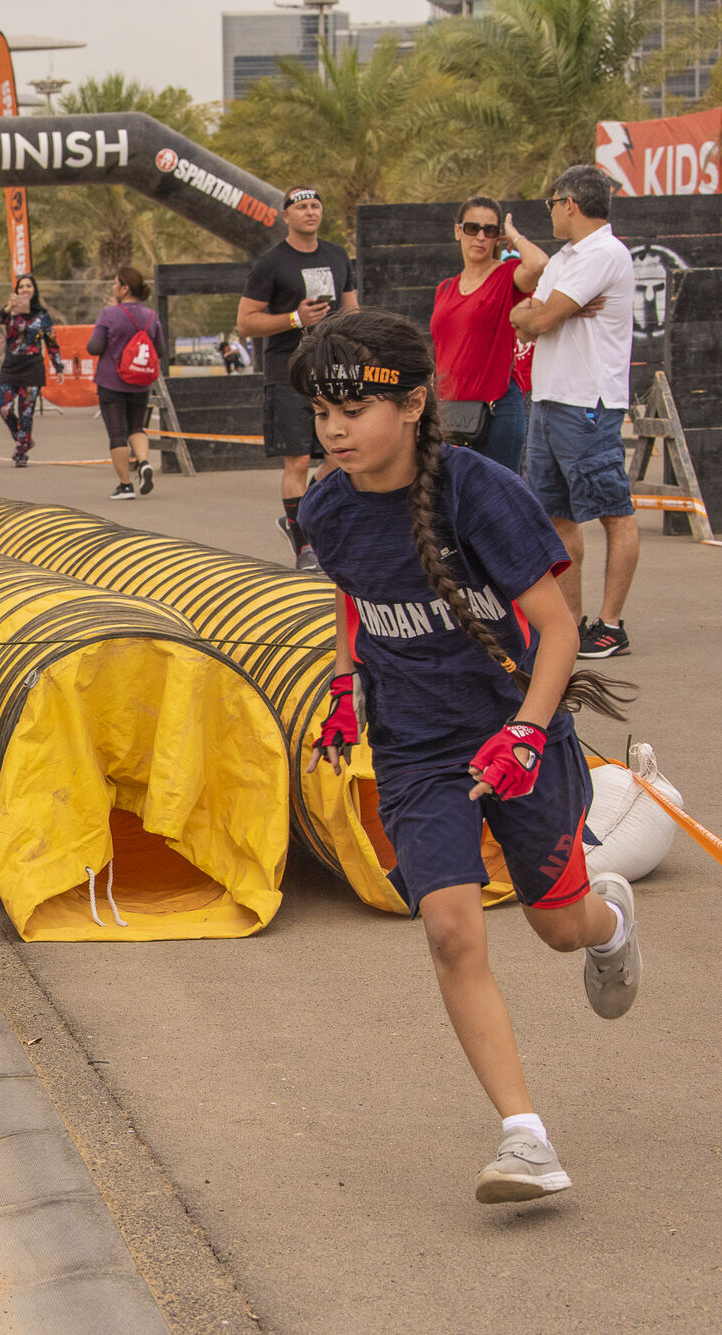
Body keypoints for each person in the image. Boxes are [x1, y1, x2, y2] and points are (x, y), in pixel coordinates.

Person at [293, 307, 639, 1204]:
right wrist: (344, 682)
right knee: (450, 927)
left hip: (516, 728)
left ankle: (609, 923)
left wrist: (526, 731)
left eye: (353, 410)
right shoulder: (327, 505)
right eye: (321, 412)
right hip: (414, 747)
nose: (334, 430)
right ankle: (525, 1138)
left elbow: (558, 631)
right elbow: (354, 595)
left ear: (413, 404)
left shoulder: (481, 493)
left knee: (557, 927)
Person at [508, 166, 638, 660]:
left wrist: (542, 315)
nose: (551, 213)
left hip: (588, 403)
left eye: (552, 204)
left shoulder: (605, 252)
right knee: (557, 516)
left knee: (614, 513)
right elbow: (524, 321)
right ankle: (572, 625)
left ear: (570, 204)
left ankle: (611, 625)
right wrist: (539, 315)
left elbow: (538, 318)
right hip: (549, 398)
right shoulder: (565, 258)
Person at [237, 186, 359, 570]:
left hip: (332, 371)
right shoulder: (271, 263)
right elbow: (245, 323)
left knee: (340, 454)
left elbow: (352, 311)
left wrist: (355, 345)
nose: (310, 211)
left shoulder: (337, 256)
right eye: (302, 206)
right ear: (285, 215)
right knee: (298, 460)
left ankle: (298, 517)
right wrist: (295, 318)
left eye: (316, 205)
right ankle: (304, 547)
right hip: (288, 372)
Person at [431, 198, 550, 476]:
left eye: (490, 230)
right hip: (451, 410)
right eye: (472, 228)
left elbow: (538, 264)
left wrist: (514, 235)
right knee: (451, 491)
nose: (481, 236)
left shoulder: (506, 275)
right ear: (458, 231)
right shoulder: (445, 288)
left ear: (498, 236)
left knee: (498, 492)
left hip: (497, 407)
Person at [87, 266, 165, 498]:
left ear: (124, 288)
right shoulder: (151, 316)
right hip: (140, 383)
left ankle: (125, 486)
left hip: (111, 382)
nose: (113, 287)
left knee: (117, 434)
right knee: (136, 427)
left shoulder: (109, 314)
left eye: (115, 283)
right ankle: (143, 462)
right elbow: (160, 349)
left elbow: (94, 347)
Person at [0, 274, 56, 470]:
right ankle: (24, 438)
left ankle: (21, 451)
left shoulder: (42, 315)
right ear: (17, 291)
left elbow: (52, 342)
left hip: (32, 367)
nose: (25, 289)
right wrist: (8, 307)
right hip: (10, 366)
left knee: (26, 412)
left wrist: (58, 367)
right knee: (3, 407)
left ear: (34, 289)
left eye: (29, 286)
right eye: (21, 287)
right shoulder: (11, 312)